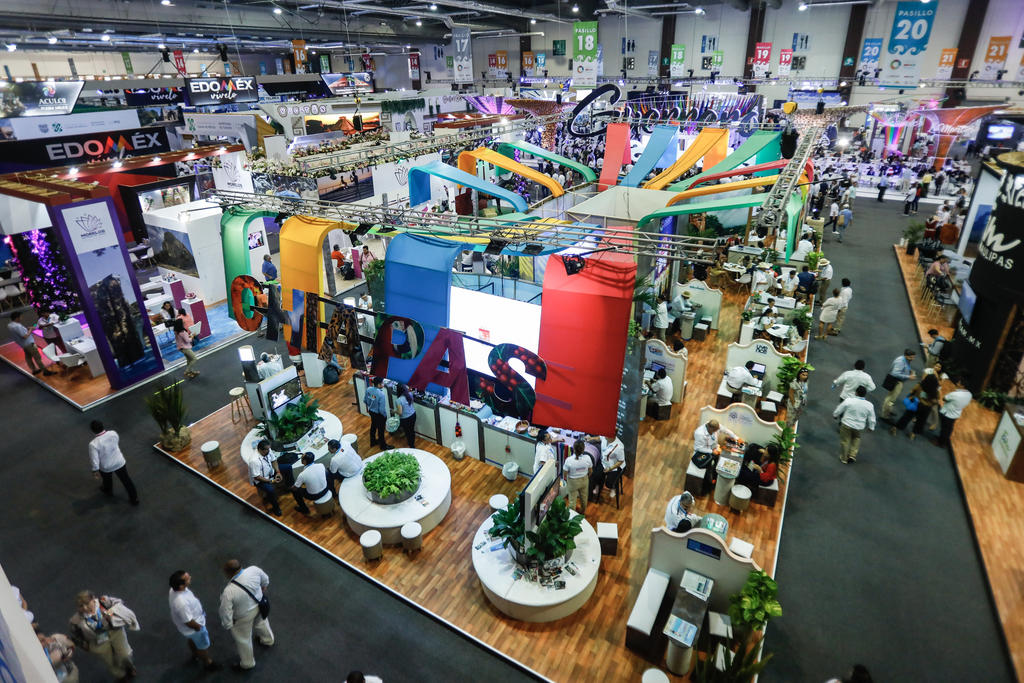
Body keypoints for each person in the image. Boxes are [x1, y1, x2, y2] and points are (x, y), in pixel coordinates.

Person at [68, 590, 137, 680]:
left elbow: (119, 603)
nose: (85, 608)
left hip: (115, 632)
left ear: (93, 599)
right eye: (81, 606)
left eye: (87, 603)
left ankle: (129, 667)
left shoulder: (104, 601)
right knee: (110, 662)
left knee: (125, 655)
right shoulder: (75, 621)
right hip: (98, 641)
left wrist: (110, 613)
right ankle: (121, 675)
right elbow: (76, 636)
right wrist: (86, 646)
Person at [219, 560, 274, 672]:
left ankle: (248, 663)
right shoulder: (254, 569)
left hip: (243, 617)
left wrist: (228, 624)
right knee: (262, 623)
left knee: (243, 639)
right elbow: (265, 580)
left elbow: (225, 610)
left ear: (228, 573)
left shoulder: (229, 591)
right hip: (260, 605)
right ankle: (268, 640)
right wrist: (261, 591)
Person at [168, 570, 220, 672]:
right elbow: (188, 621)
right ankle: (208, 663)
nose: (190, 578)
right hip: (195, 628)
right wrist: (199, 627)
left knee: (192, 640)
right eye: (187, 579)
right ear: (181, 586)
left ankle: (195, 654)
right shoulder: (181, 603)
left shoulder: (174, 590)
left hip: (189, 630)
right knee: (202, 646)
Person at [248, 439, 310, 517]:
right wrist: (271, 481)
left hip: (270, 471)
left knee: (288, 467)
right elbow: (257, 477)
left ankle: (290, 486)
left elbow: (274, 461)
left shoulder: (268, 450)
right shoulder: (254, 461)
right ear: (260, 450)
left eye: (269, 449)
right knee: (270, 490)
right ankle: (276, 508)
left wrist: (278, 472)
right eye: (266, 450)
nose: (269, 451)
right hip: (261, 479)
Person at [89, 420, 139, 506]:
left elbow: (94, 459)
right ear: (102, 426)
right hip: (119, 462)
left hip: (106, 466)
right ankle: (134, 498)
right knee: (126, 480)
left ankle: (108, 491)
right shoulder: (113, 433)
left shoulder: (93, 444)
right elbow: (116, 442)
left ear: (93, 431)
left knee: (107, 479)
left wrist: (95, 470)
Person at [833, 385, 876, 464]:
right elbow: (872, 418)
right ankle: (852, 455)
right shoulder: (869, 405)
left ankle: (844, 458)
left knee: (845, 440)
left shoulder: (849, 400)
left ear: (856, 393)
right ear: (865, 394)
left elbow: (840, 409)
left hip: (846, 424)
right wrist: (871, 427)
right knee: (856, 438)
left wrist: (835, 415)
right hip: (859, 427)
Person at [691, 420, 737, 494]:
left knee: (718, 463)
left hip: (714, 449)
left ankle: (714, 477)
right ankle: (708, 486)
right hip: (704, 452)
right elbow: (698, 448)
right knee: (709, 469)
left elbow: (725, 430)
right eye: (715, 431)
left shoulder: (715, 426)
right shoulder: (699, 433)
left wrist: (735, 437)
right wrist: (711, 451)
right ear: (710, 428)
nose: (716, 432)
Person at [890, 373, 941, 440]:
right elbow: (936, 401)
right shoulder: (935, 392)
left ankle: (895, 428)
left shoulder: (920, 385)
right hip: (926, 408)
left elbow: (912, 391)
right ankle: (913, 434)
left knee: (906, 417)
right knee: (920, 422)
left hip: (916, 404)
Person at [7, 311, 52, 375]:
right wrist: (30, 330)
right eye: (20, 317)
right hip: (29, 344)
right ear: (17, 318)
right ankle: (45, 371)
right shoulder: (17, 326)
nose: (21, 318)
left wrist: (26, 329)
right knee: (37, 357)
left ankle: (34, 370)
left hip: (23, 344)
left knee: (28, 357)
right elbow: (25, 336)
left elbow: (20, 333)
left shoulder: (10, 325)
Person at [936, 376, 972, 447]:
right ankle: (943, 440)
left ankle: (941, 443)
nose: (957, 383)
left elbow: (944, 399)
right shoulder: (969, 395)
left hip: (947, 414)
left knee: (944, 429)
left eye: (959, 383)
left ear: (962, 386)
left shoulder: (955, 394)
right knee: (948, 429)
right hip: (955, 414)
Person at [881, 349, 917, 419]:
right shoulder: (900, 362)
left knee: (892, 398)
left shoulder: (905, 360)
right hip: (896, 382)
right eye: (911, 357)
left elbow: (903, 368)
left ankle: (889, 410)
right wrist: (908, 376)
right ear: (906, 356)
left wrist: (909, 371)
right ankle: (885, 415)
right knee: (890, 399)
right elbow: (895, 373)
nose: (912, 359)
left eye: (913, 357)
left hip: (898, 382)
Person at [563, 440, 592, 516]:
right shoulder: (588, 458)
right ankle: (582, 512)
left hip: (573, 482)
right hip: (584, 480)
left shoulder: (569, 460)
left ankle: (572, 515)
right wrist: (586, 477)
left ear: (574, 449)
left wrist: (568, 480)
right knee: (584, 498)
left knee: (572, 500)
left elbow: (565, 474)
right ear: (583, 449)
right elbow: (590, 471)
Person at [364, 376, 391, 450]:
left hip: (371, 412)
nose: (383, 384)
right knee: (381, 430)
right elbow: (381, 409)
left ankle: (372, 441)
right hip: (379, 415)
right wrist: (384, 416)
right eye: (382, 383)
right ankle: (383, 446)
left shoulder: (368, 389)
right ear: (379, 384)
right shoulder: (381, 394)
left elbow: (365, 400)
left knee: (373, 426)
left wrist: (371, 406)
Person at [396, 383, 417, 448]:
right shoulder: (410, 394)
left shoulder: (398, 400)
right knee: (412, 430)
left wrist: (394, 411)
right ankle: (412, 443)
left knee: (407, 432)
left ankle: (411, 445)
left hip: (405, 419)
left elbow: (400, 412)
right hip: (413, 415)